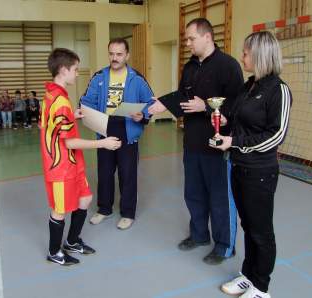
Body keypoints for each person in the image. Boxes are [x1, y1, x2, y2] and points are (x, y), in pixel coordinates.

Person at [149, 18, 244, 264]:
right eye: (187, 39)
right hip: (192, 143)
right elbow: (183, 96)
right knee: (193, 194)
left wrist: (205, 108)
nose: (188, 43)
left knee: (220, 198)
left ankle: (224, 246)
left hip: (218, 147)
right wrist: (160, 103)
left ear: (207, 37)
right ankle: (199, 235)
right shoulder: (189, 67)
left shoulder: (229, 66)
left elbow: (236, 107)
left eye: (191, 38)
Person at [213, 31, 291, 298]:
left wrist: (234, 141)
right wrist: (225, 124)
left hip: (260, 172)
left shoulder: (278, 90)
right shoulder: (249, 87)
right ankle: (248, 276)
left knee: (261, 231)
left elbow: (276, 135)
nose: (242, 56)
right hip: (239, 167)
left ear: (259, 55)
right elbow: (239, 120)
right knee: (248, 226)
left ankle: (262, 287)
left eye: (246, 52)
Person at [41, 48, 121, 265]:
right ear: (63, 69)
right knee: (59, 210)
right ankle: (54, 252)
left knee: (84, 199)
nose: (77, 73)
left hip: (73, 162)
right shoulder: (59, 101)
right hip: (60, 165)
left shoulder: (55, 94)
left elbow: (49, 124)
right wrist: (103, 143)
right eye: (75, 69)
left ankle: (72, 241)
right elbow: (69, 142)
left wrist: (71, 117)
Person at [80, 38, 154, 230]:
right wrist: (86, 114)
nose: (115, 58)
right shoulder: (99, 77)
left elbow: (150, 103)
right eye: (111, 53)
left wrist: (142, 116)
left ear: (127, 55)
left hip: (127, 129)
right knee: (104, 172)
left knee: (127, 173)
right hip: (104, 128)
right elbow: (87, 101)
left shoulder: (137, 79)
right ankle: (104, 209)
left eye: (119, 54)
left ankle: (127, 213)